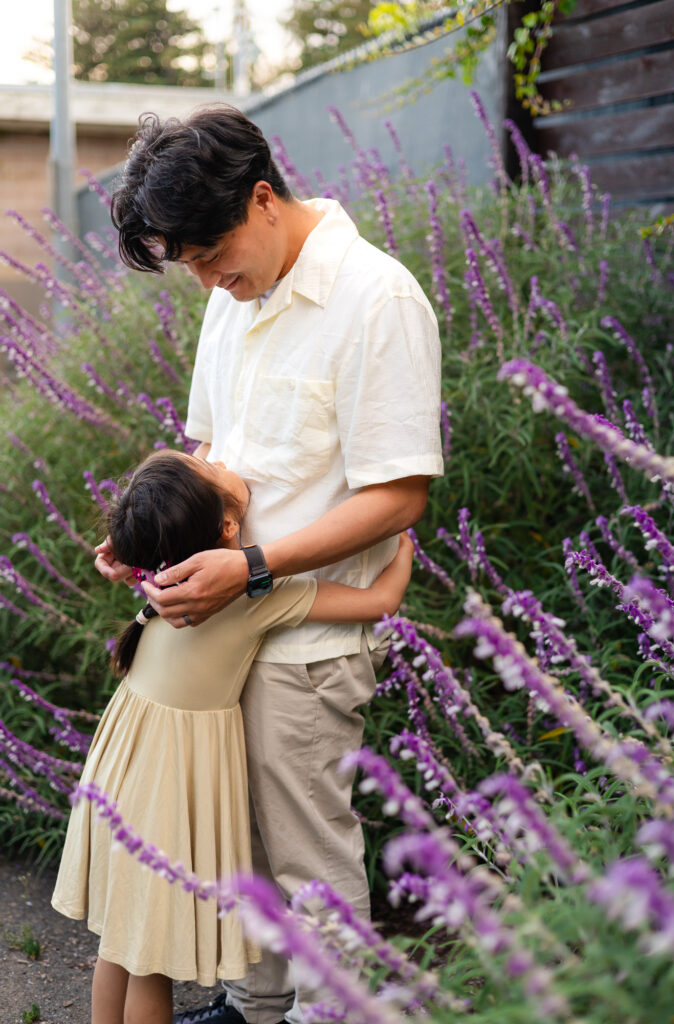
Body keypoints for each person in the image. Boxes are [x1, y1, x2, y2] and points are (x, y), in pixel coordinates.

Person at [97, 104, 443, 1024]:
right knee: (236, 847)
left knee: (308, 860)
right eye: (193, 267)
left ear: (261, 197)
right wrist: (149, 543)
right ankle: (261, 1006)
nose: (209, 280)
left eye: (211, 256)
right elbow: (208, 448)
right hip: (218, 619)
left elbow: (399, 496)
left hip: (303, 636)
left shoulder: (378, 299)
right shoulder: (228, 298)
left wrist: (249, 567)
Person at [53, 448, 415, 1024]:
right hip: (168, 794)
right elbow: (381, 601)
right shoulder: (251, 594)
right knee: (149, 960)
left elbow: (159, 479)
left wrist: (130, 538)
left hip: (121, 775)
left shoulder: (158, 578)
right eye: (215, 468)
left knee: (119, 943)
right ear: (226, 527)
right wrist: (401, 546)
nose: (223, 459)